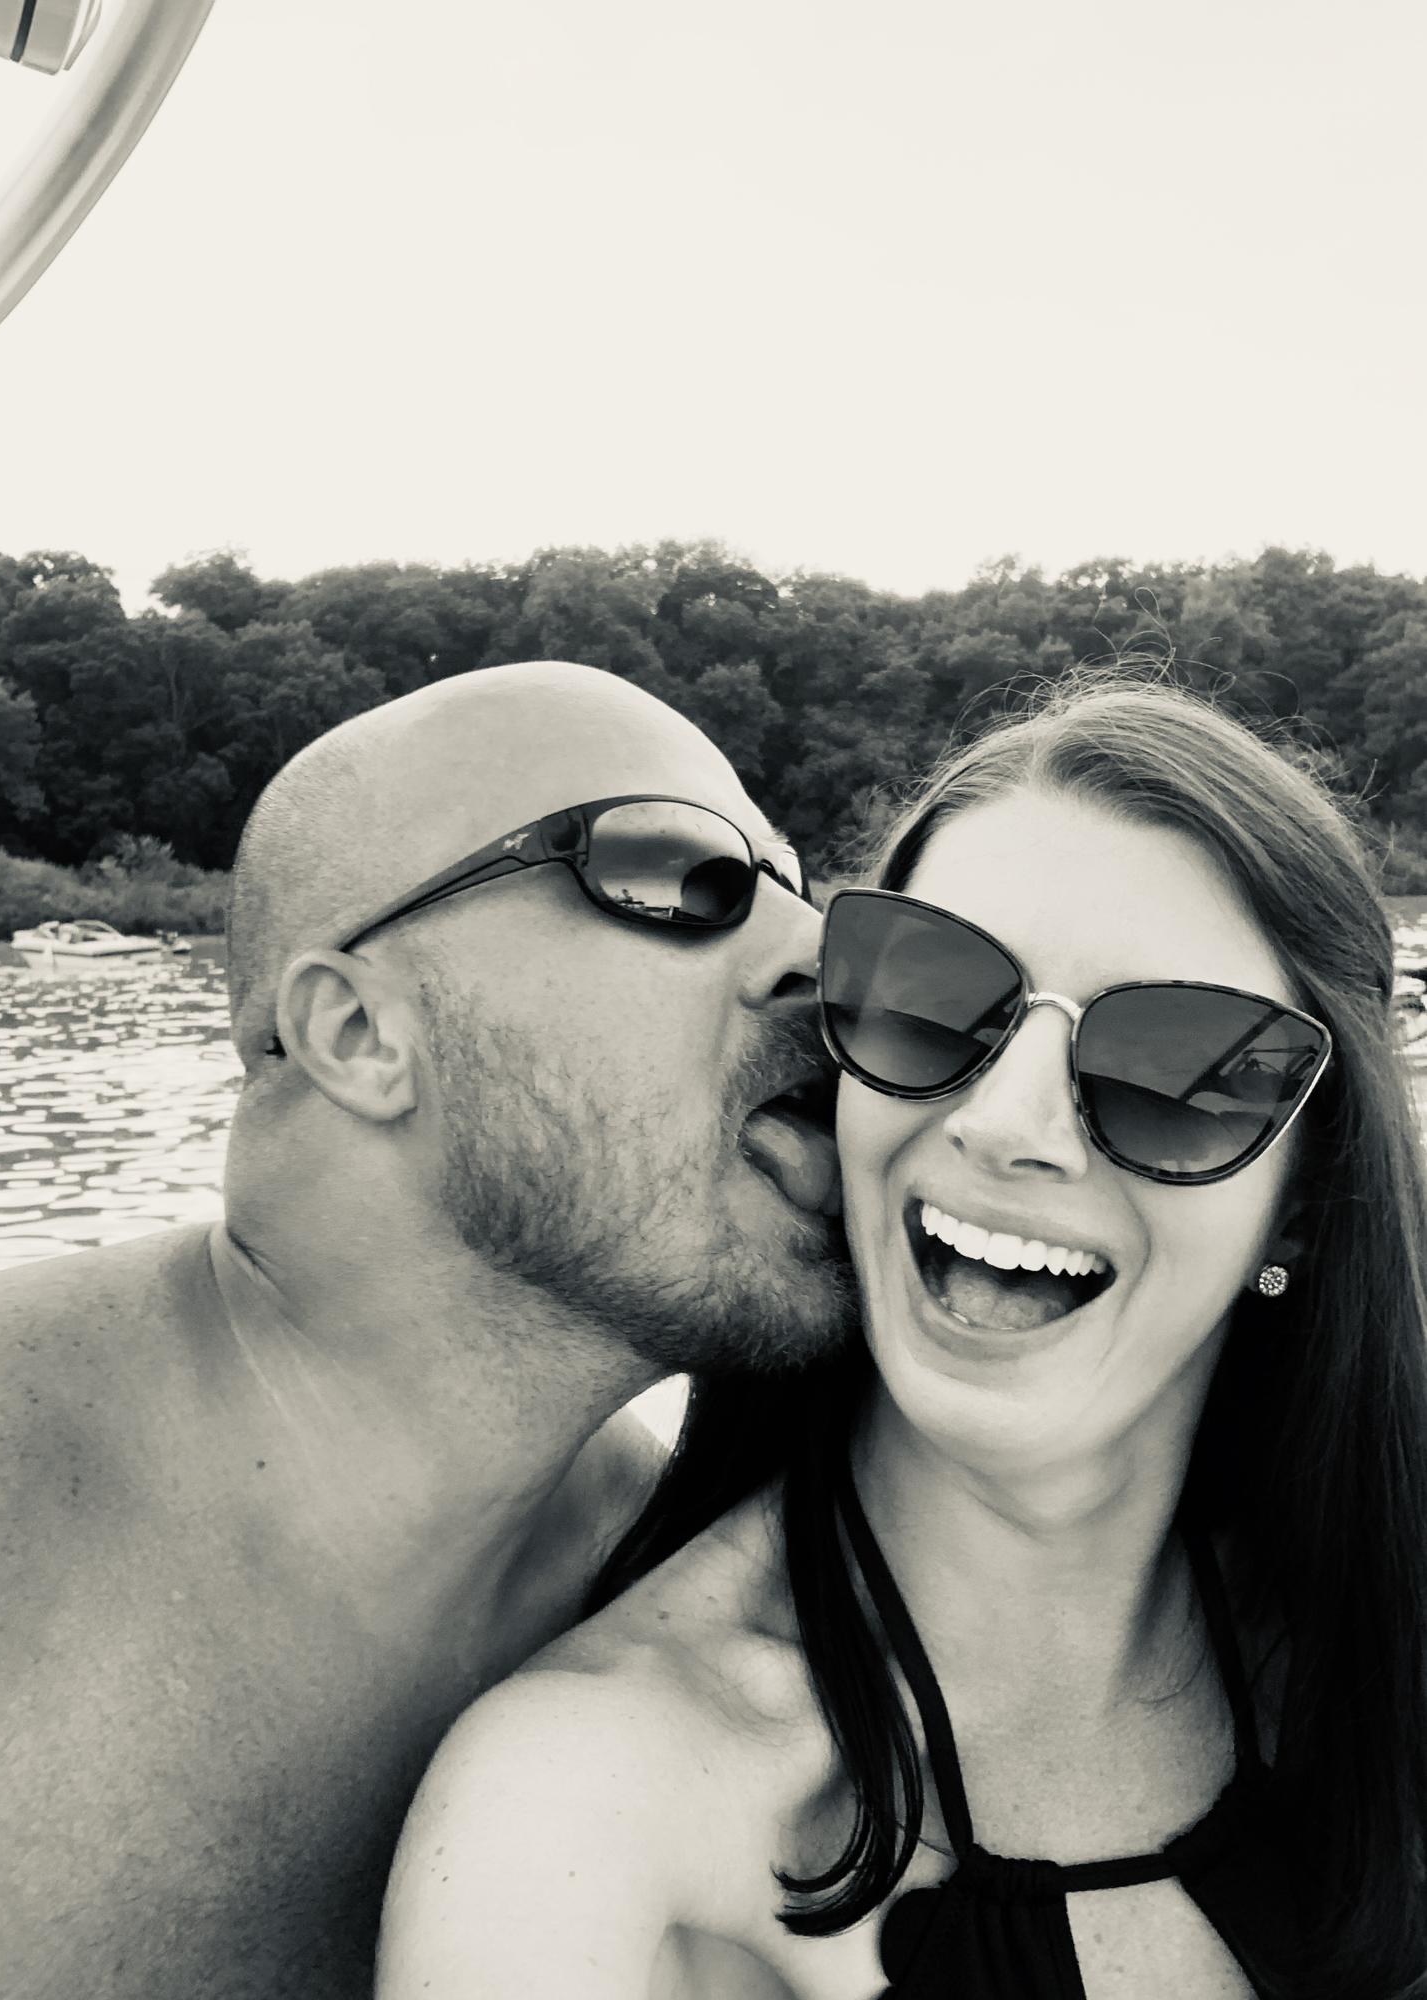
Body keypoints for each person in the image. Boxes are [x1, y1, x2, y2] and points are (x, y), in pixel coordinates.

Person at [378, 672, 1427, 2000]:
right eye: (934, 1001)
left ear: (1306, 1209)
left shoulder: (1370, 1653)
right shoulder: (585, 1815)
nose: (1003, 1124)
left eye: (1176, 1065)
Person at [0, 661, 853, 2000]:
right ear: (358, 1032)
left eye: (793, 884)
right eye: (678, 871)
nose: (821, 949)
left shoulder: (693, 1624)